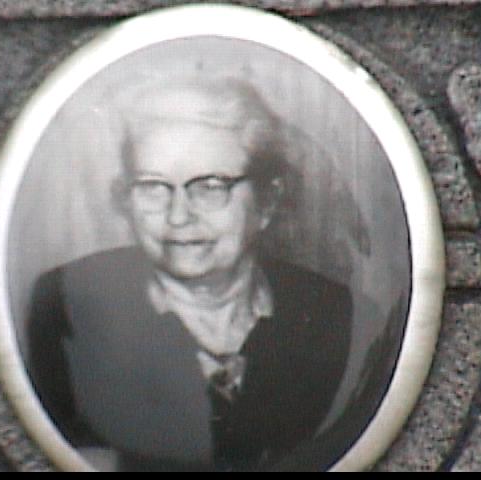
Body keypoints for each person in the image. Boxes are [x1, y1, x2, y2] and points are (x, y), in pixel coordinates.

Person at [26, 77, 354, 471]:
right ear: (126, 200)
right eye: (152, 187)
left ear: (266, 201)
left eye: (210, 187)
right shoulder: (68, 306)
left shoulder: (331, 312)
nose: (179, 216)